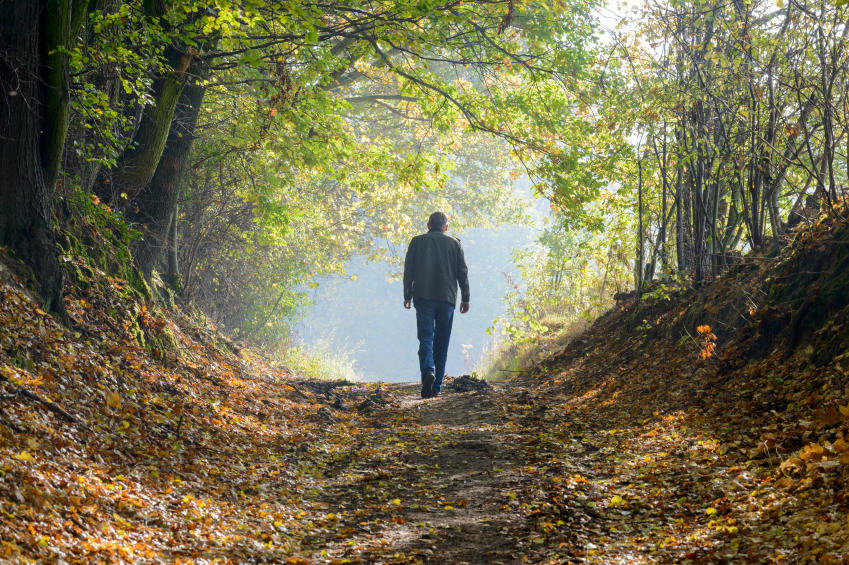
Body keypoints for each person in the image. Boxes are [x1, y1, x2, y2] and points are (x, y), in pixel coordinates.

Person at [403, 211, 470, 398]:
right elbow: (462, 273)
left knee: (426, 338)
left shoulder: (416, 242)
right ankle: (436, 387)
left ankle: (428, 372)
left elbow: (409, 270)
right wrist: (466, 297)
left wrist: (407, 294)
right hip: (447, 299)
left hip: (423, 297)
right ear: (446, 227)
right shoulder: (455, 244)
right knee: (442, 342)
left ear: (428, 225)